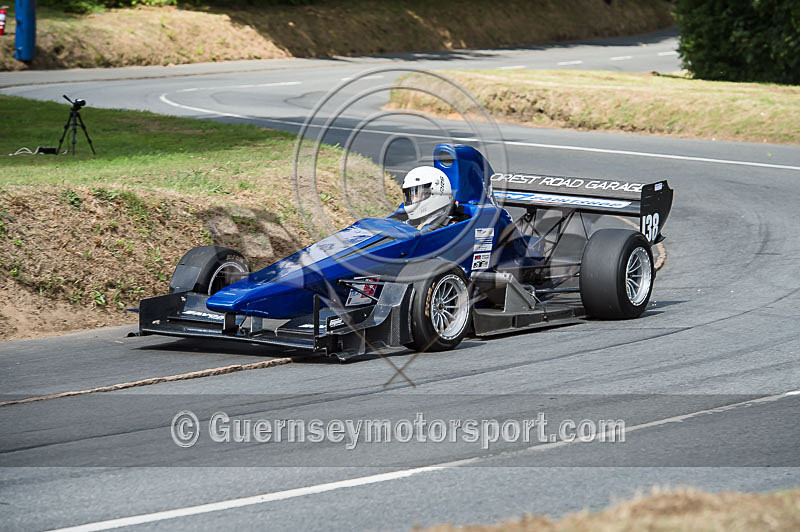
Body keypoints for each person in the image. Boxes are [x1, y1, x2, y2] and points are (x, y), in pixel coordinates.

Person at [401, 166, 465, 231]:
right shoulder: (406, 220)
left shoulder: (451, 228)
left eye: (418, 195)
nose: (413, 200)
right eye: (411, 196)